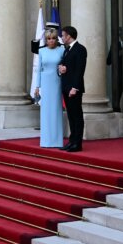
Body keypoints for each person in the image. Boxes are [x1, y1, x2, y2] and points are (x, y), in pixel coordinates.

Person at [32, 18, 66, 148]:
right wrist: (37, 87)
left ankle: (57, 140)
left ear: (56, 39)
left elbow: (64, 67)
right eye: (48, 38)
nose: (51, 41)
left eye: (53, 38)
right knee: (45, 112)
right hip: (45, 84)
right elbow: (39, 70)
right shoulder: (41, 51)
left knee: (56, 111)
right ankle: (46, 140)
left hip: (57, 83)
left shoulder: (62, 50)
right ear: (46, 40)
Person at [57, 25, 87, 152]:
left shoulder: (80, 49)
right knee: (70, 115)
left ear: (69, 36)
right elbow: (65, 66)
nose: (62, 38)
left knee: (77, 115)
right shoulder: (66, 49)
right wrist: (61, 69)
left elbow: (80, 70)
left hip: (74, 89)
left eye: (63, 35)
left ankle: (77, 143)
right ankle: (72, 140)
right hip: (66, 87)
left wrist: (75, 87)